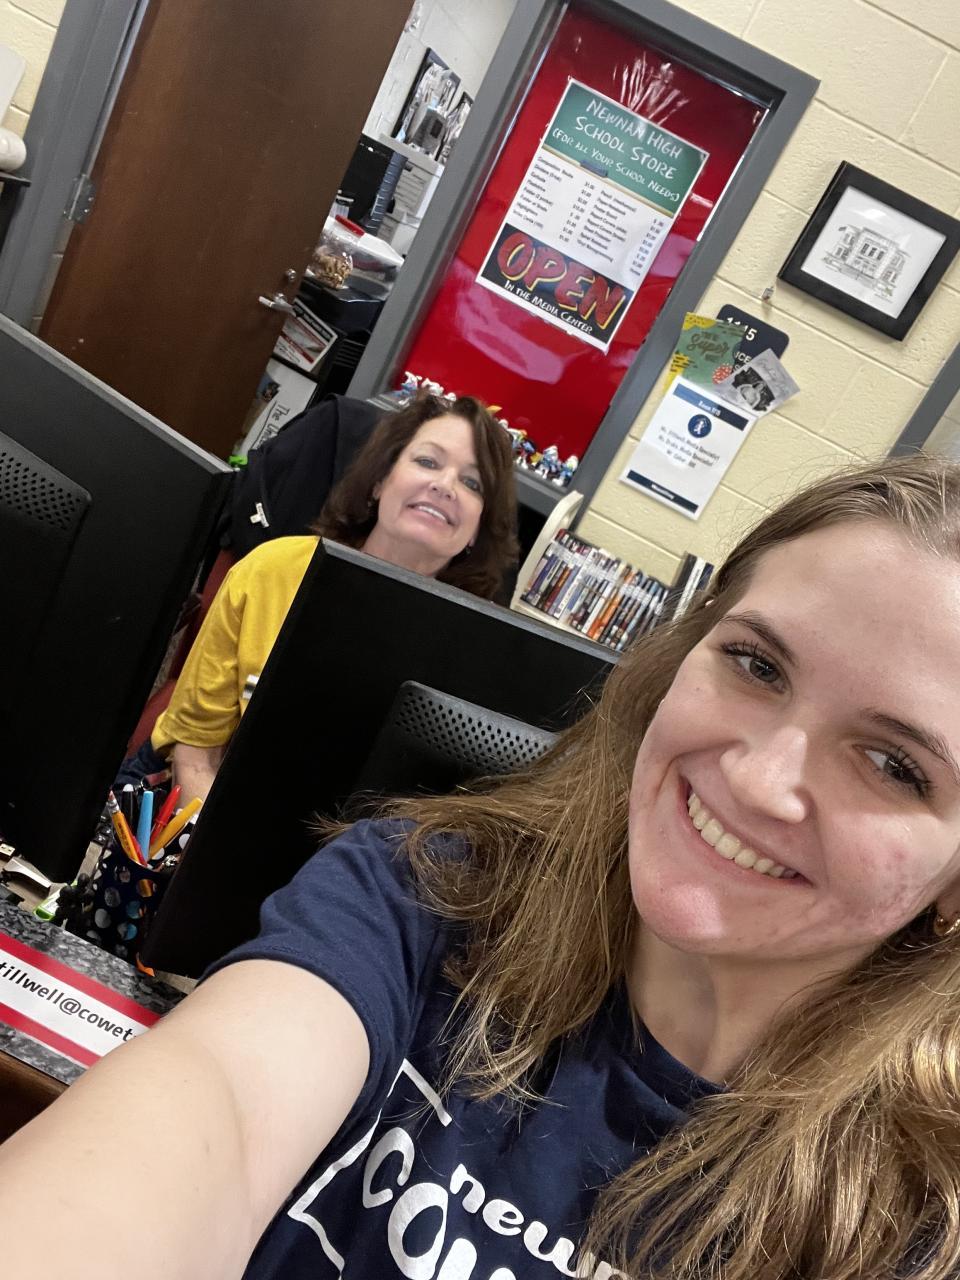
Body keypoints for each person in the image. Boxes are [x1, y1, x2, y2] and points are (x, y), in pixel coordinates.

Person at [7, 453, 960, 1280]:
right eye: (756, 665)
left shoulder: (925, 1218)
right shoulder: (430, 895)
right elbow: (219, 1100)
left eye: (894, 766)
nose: (757, 780)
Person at [132, 392, 519, 801]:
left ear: (477, 530)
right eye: (427, 461)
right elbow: (195, 758)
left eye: (472, 483)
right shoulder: (271, 571)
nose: (445, 486)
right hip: (200, 796)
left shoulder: (474, 653)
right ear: (379, 482)